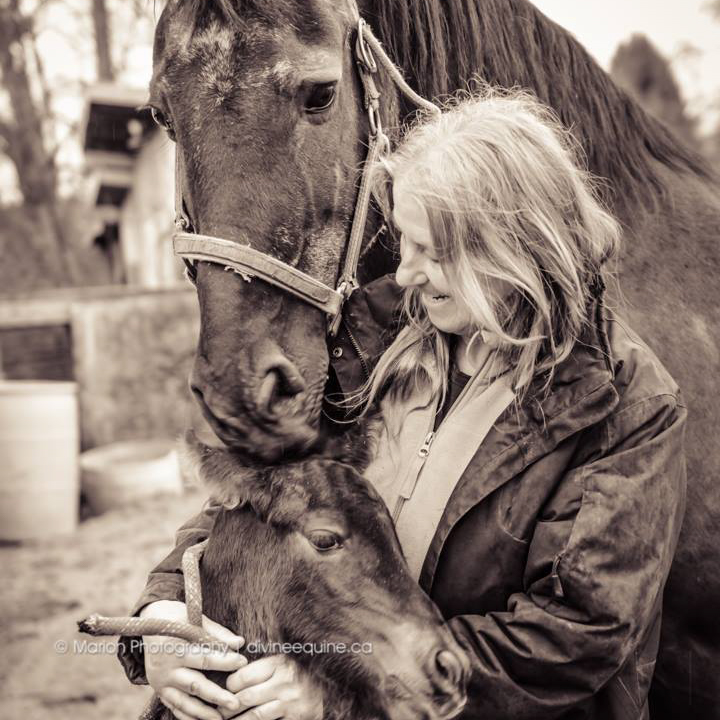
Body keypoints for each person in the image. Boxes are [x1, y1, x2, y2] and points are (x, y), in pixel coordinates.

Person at [117, 89, 686, 720]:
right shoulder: (372, 334)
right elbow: (263, 494)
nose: (407, 272)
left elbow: (579, 633)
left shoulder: (627, 407)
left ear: (512, 246)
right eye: (405, 243)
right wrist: (167, 609)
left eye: (432, 252)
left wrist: (344, 690)